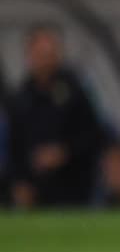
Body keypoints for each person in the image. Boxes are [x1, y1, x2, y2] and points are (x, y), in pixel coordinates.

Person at [6, 24, 105, 209]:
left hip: (74, 187)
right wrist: (19, 182)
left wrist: (63, 152)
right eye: (40, 53)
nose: (46, 59)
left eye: (51, 53)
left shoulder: (76, 92)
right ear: (29, 55)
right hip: (35, 191)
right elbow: (14, 147)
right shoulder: (20, 98)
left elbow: (94, 135)